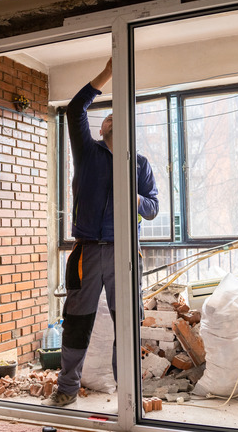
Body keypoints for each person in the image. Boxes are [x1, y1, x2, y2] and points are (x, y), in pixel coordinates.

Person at [45, 58, 159, 407]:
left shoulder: (138, 164)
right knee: (77, 320)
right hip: (87, 250)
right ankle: (66, 390)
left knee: (128, 322)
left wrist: (134, 196)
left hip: (125, 251)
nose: (109, 118)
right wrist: (109, 72)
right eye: (106, 116)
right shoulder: (87, 152)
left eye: (116, 117)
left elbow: (153, 208)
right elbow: (75, 108)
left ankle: (130, 397)